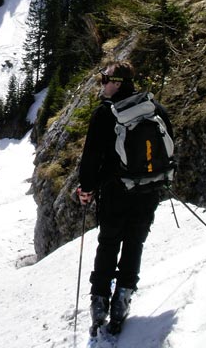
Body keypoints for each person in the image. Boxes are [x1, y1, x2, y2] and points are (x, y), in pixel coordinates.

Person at [77, 60, 173, 333]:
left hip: (115, 191)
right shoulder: (155, 109)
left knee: (108, 242)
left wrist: (86, 188)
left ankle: (99, 301)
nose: (102, 84)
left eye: (104, 79)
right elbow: (169, 149)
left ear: (117, 83)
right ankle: (123, 297)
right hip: (148, 190)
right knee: (135, 242)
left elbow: (91, 157)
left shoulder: (105, 114)